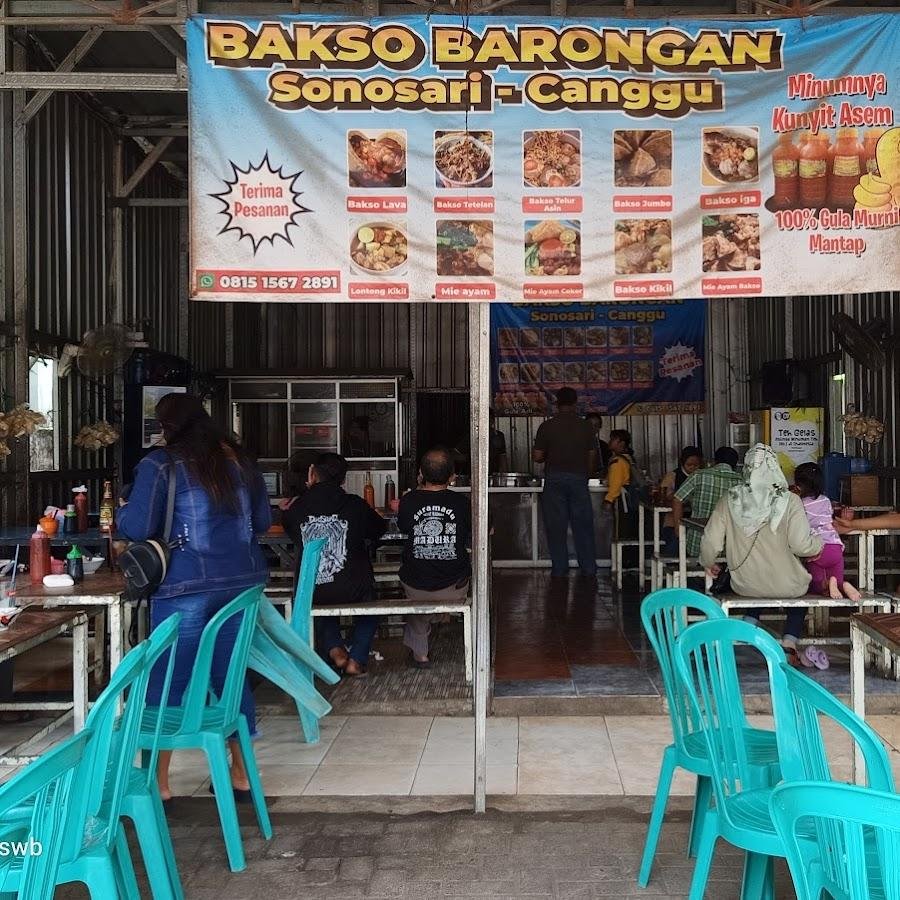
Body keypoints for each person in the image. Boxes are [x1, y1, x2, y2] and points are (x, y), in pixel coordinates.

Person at [117, 393, 271, 802]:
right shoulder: (240, 460)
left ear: (166, 427)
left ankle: (159, 785)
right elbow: (264, 521)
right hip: (242, 584)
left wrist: (119, 511)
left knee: (166, 678)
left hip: (184, 584)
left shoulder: (160, 464)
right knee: (231, 675)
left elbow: (136, 526)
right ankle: (241, 776)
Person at [700, 444, 824, 666]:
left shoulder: (730, 499)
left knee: (760, 583)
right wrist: (819, 545)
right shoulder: (791, 500)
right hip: (789, 586)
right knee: (799, 589)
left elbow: (710, 541)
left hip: (744, 585)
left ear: (746, 468)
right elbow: (802, 546)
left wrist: (708, 563)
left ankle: (748, 626)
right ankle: (789, 642)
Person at [282, 452, 387, 676]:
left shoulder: (296, 508)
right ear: (343, 479)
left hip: (313, 588)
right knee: (370, 604)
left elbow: (292, 533)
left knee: (317, 596)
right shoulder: (355, 505)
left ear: (312, 474)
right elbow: (379, 529)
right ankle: (356, 659)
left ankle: (335, 649)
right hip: (354, 587)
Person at [397, 448, 471, 668]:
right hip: (454, 586)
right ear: (452, 477)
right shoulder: (462, 503)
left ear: (420, 473)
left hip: (415, 586)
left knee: (416, 590)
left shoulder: (409, 500)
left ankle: (421, 654)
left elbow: (402, 526)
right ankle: (442, 614)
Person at [532, 387, 597, 578]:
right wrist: (586, 475)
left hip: (554, 479)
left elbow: (537, 457)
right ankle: (589, 569)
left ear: (556, 403)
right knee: (583, 527)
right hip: (578, 479)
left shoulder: (547, 426)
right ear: (576, 403)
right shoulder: (586, 427)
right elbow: (592, 455)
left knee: (556, 526)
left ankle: (560, 569)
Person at [794, 462, 861, 601]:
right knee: (837, 579)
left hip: (817, 549)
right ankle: (844, 585)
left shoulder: (799, 504)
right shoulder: (826, 500)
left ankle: (827, 585)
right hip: (835, 547)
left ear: (798, 485)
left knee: (816, 585)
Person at [672, 446, 742, 558]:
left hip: (697, 544)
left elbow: (677, 499)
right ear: (735, 464)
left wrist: (678, 530)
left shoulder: (699, 475)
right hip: (729, 548)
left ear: (715, 461)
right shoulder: (741, 481)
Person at [659, 446, 704, 556]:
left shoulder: (702, 476)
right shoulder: (672, 476)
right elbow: (664, 495)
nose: (693, 468)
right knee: (676, 542)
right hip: (673, 522)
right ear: (682, 463)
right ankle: (670, 567)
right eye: (689, 465)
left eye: (696, 465)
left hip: (695, 521)